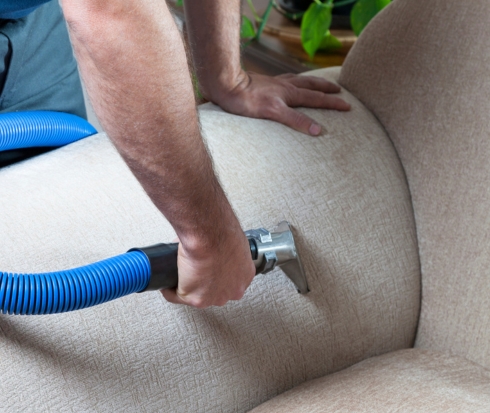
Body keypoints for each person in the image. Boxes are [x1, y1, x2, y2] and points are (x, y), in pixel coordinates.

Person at [0, 0, 350, 308]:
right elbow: (111, 10)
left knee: (57, 208)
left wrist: (226, 77)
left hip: (31, 23)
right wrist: (208, 238)